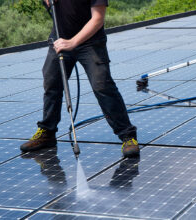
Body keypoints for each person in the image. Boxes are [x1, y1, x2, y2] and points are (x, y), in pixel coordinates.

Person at [20, 0, 139, 158]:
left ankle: (127, 136)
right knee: (51, 82)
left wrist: (73, 42)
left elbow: (98, 19)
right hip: (60, 39)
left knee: (102, 85)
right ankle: (47, 132)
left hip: (91, 42)